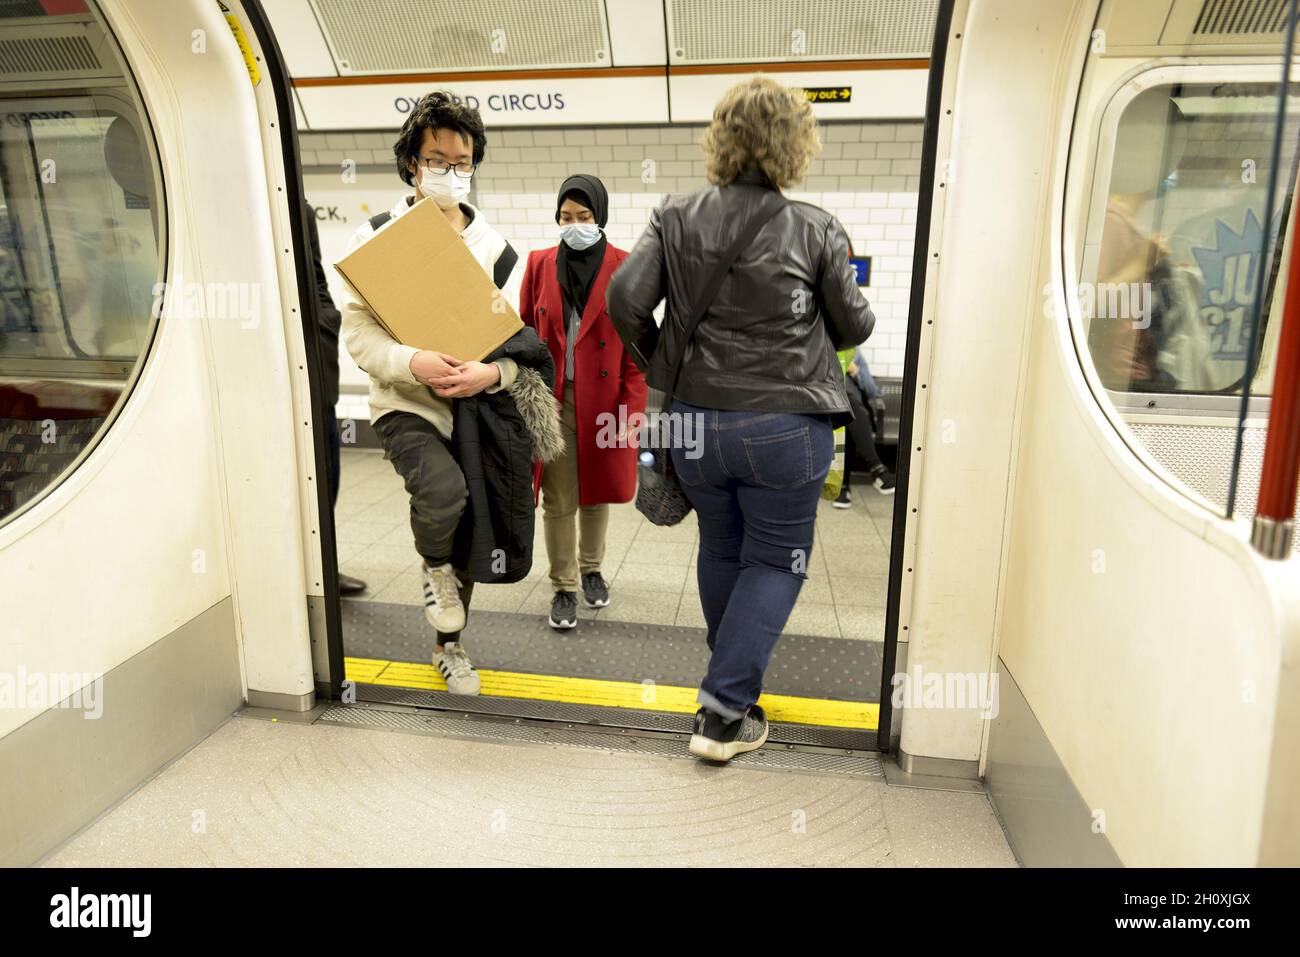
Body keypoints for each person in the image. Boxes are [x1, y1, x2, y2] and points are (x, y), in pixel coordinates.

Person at [607, 76, 874, 762]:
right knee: (776, 561)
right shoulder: (814, 226)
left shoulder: (674, 214)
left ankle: (733, 683)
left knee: (722, 548)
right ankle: (722, 711)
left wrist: (669, 363)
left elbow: (624, 301)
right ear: (796, 147)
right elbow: (856, 324)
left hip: (693, 425)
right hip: (785, 426)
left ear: (720, 140)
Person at [339, 92, 521, 695]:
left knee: (472, 517)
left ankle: (451, 646)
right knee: (443, 490)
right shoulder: (376, 236)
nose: (450, 171)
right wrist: (410, 361)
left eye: (462, 161)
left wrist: (488, 375)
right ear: (412, 163)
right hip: (405, 403)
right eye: (437, 159)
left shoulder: (495, 249)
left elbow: (514, 342)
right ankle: (433, 564)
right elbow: (359, 338)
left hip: (472, 407)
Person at [520, 175, 647, 630]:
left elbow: (638, 350)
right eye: (566, 217)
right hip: (553, 402)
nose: (574, 225)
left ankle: (591, 569)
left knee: (597, 495)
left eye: (584, 217)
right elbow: (523, 336)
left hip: (608, 402)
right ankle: (563, 587)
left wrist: (632, 411)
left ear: (601, 217)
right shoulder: (539, 264)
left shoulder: (626, 266)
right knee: (558, 499)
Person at [304, 198, 367, 594]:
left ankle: (323, 567)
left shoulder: (298, 208)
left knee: (327, 477)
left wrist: (328, 318)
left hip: (316, 370)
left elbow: (315, 277)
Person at [833, 346, 895, 507]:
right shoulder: (818, 347)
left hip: (853, 415)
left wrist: (855, 371)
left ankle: (843, 487)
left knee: (848, 416)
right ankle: (876, 469)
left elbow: (872, 391)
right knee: (847, 408)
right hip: (828, 408)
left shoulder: (853, 352)